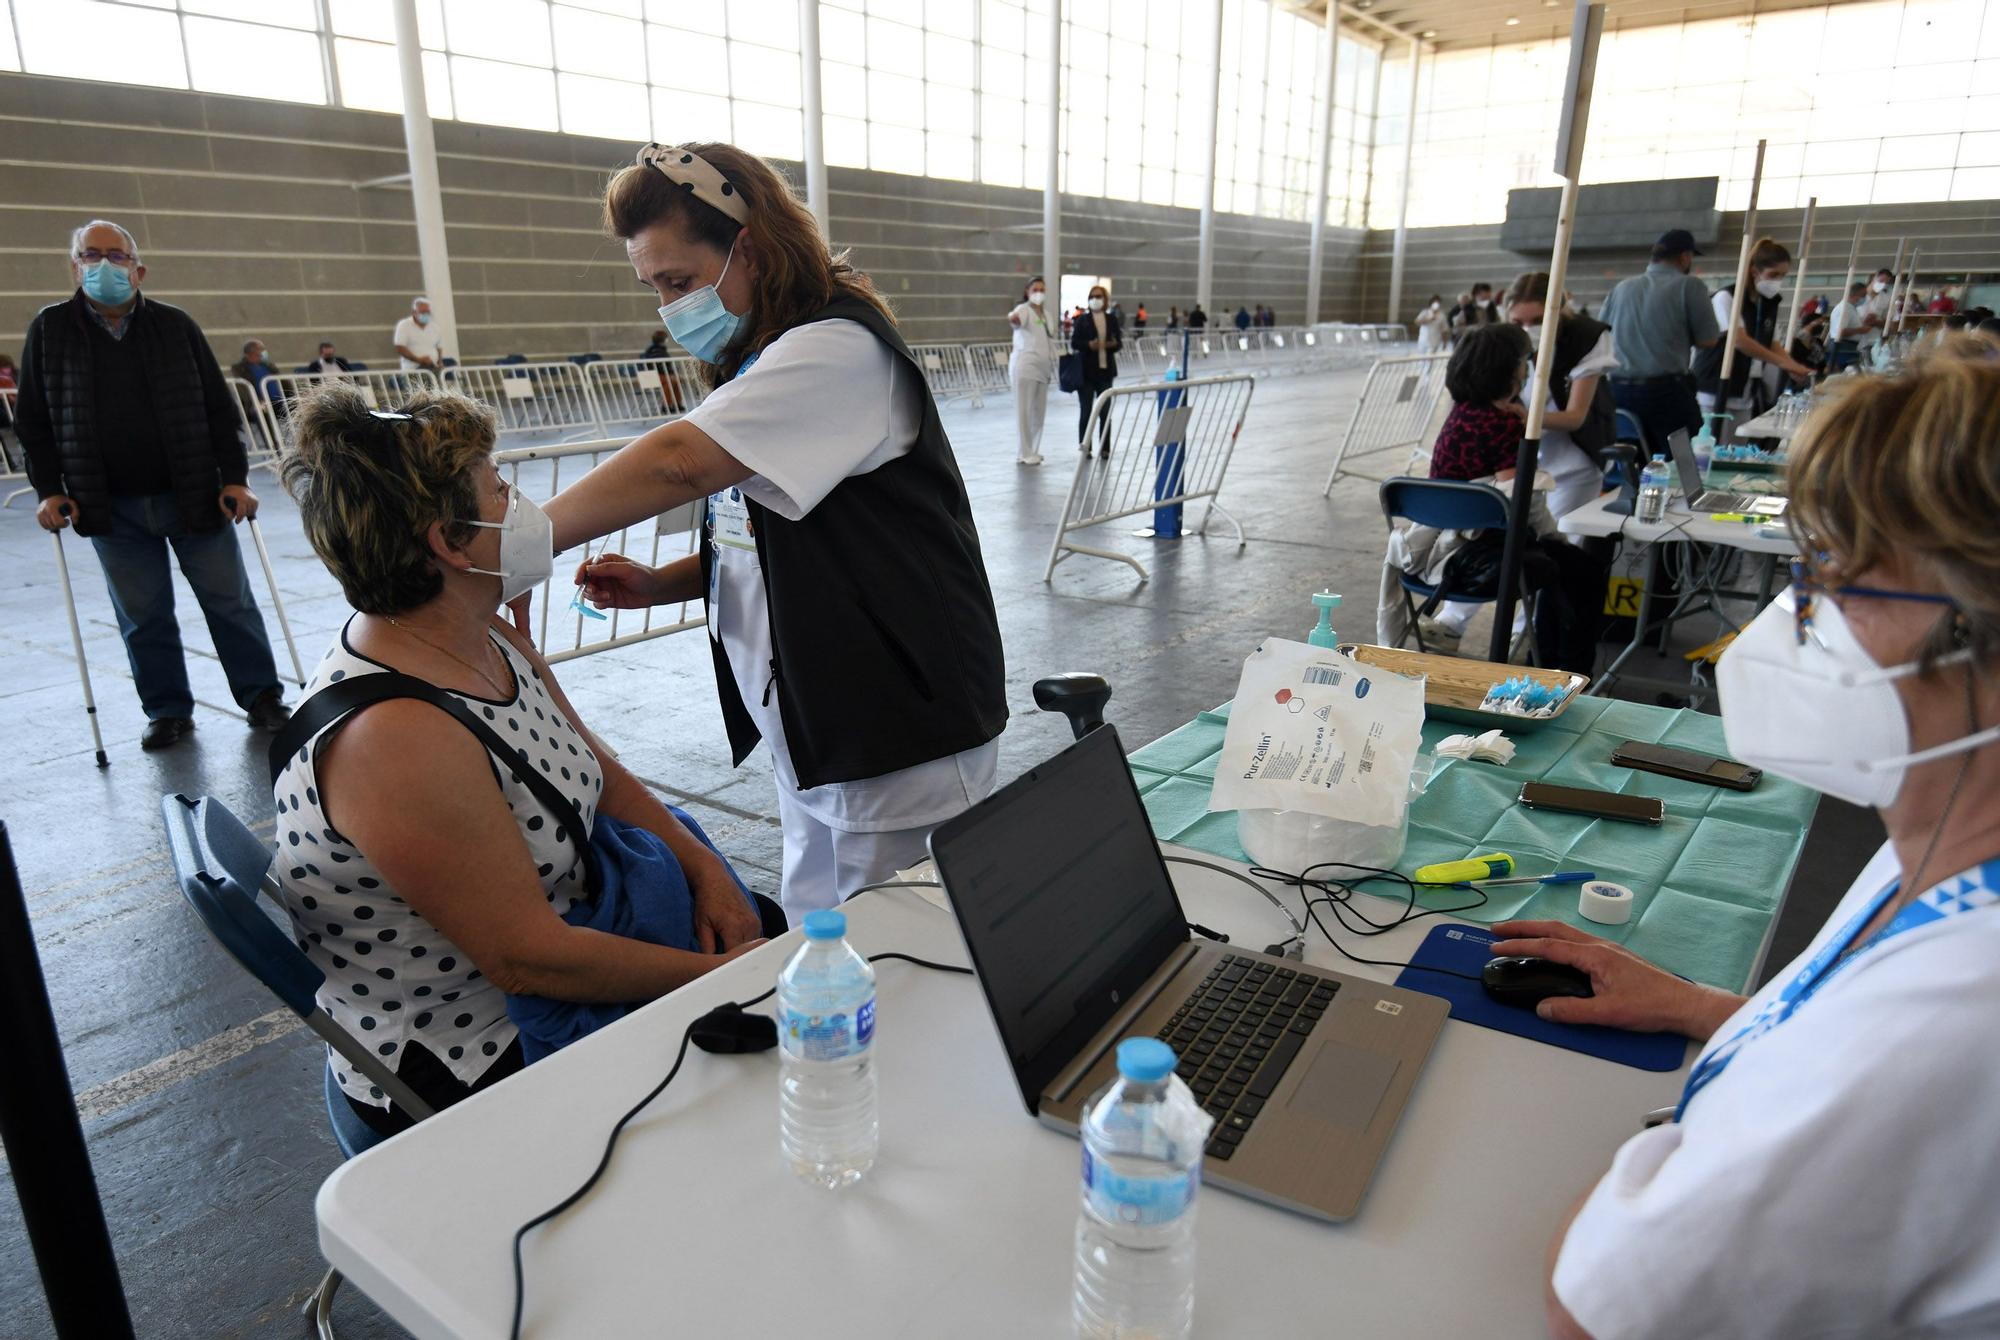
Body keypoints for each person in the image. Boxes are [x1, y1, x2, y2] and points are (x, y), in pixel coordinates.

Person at [1512, 343, 2000, 1340]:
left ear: (1974, 641)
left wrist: (1664, 1169)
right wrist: (1707, 1008)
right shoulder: (1940, 842)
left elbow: (1598, 1300)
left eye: (1833, 581)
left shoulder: (1952, 1016)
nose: (1793, 618)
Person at [273, 383, 778, 1135]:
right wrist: (724, 979)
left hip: (566, 939)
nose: (523, 507)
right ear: (449, 539)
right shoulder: (396, 736)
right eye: (501, 489)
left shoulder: (483, 634)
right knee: (777, 1041)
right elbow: (530, 961)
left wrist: (706, 870)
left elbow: (592, 767)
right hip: (481, 1053)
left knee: (764, 934)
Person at [545, 141, 1007, 924]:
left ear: (748, 250)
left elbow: (682, 461)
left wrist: (511, 540)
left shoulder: (837, 348)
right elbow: (771, 538)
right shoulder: (761, 358)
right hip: (815, 721)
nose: (667, 307)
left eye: (679, 281)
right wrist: (671, 581)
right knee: (818, 944)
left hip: (894, 731)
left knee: (899, 959)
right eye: (654, 287)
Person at [15, 219, 290, 750]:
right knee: (143, 617)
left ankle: (262, 698)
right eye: (90, 255)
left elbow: (218, 408)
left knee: (230, 603)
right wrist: (49, 489)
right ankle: (168, 711)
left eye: (114, 256)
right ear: (74, 266)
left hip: (193, 494)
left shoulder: (174, 325)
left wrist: (235, 478)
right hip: (108, 505)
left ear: (138, 269)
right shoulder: (49, 330)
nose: (103, 265)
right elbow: (34, 421)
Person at [1421, 322, 1604, 674]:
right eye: (1523, 360)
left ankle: (1546, 656)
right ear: (1508, 369)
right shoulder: (1504, 423)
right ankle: (1562, 667)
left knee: (1565, 567)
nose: (1527, 366)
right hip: (1483, 552)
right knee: (1581, 570)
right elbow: (1519, 502)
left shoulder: (1459, 412)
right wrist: (1556, 538)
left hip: (1441, 547)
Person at [1502, 271, 1619, 522]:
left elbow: (1575, 417)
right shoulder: (1503, 341)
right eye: (1517, 322)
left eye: (1538, 320)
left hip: (1573, 462)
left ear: (1559, 311)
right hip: (1520, 463)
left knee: (1559, 538)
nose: (1527, 329)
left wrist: (1527, 417)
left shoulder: (1586, 337)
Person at [1597, 227, 1721, 455]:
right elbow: (1709, 340)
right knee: (1687, 462)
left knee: (1638, 462)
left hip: (1618, 392)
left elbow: (1601, 333)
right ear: (1685, 257)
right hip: (1666, 393)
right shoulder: (1689, 286)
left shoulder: (1622, 287)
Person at [1692, 236, 1815, 423]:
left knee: (1739, 444)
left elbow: (1772, 342)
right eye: (1774, 275)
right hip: (1715, 387)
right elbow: (1739, 340)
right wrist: (1783, 364)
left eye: (1783, 276)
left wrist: (1793, 366)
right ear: (1754, 270)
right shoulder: (1726, 297)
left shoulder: (1768, 303)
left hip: (1746, 391)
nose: (1778, 281)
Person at [1006, 275, 1057, 466]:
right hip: (1025, 367)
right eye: (1035, 289)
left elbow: (1050, 337)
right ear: (1027, 291)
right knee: (1024, 411)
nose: (1039, 293)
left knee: (1039, 412)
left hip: (1043, 368)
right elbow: (1015, 321)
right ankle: (1024, 452)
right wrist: (1014, 319)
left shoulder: (1047, 314)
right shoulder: (1023, 310)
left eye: (1042, 290)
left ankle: (1033, 449)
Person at [1071, 283, 1122, 456]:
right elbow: (1075, 342)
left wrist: (1111, 345)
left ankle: (1105, 448)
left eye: (1099, 296)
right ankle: (1085, 447)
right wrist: (1089, 345)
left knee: (1105, 412)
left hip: (1105, 372)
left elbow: (1118, 342)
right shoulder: (1082, 320)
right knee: (1086, 411)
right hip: (1086, 373)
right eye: (1092, 296)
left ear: (1105, 299)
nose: (1095, 299)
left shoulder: (1112, 319)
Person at [1826, 280, 1873, 370]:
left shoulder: (1851, 308)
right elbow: (1841, 332)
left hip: (1849, 346)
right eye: (1863, 295)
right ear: (1856, 295)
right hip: (1842, 347)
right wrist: (1860, 330)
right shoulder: (1844, 308)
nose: (1865, 298)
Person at [394, 296, 443, 372]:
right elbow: (400, 348)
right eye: (423, 312)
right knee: (426, 383)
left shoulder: (434, 327)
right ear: (414, 312)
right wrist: (418, 360)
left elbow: (439, 347)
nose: (426, 314)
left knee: (448, 381)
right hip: (413, 370)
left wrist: (439, 361)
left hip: (433, 368)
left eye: (428, 312)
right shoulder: (404, 325)